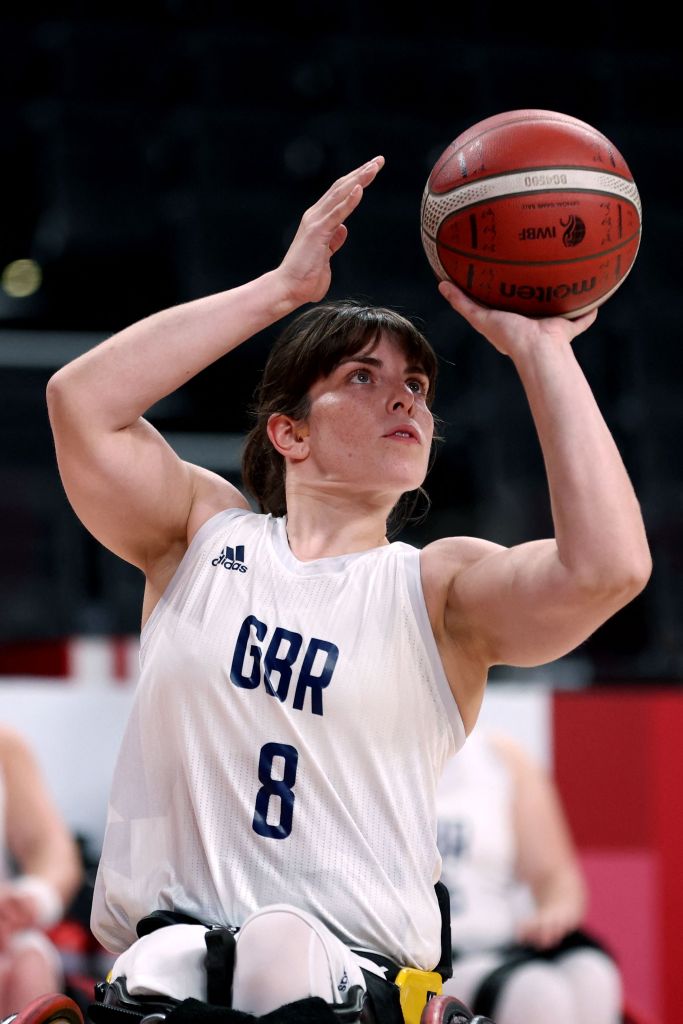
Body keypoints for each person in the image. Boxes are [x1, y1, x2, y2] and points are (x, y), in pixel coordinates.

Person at [45, 156, 651, 1024]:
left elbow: (608, 570)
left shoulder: (439, 590)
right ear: (288, 432)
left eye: (416, 385)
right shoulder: (198, 536)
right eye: (361, 378)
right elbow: (81, 401)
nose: (403, 399)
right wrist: (279, 292)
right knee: (177, 961)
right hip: (169, 961)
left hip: (351, 981)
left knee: (278, 952)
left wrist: (542, 349)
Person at [436, 726, 622, 1024]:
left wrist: (553, 913)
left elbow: (555, 878)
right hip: (427, 959)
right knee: (537, 993)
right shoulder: (374, 753)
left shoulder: (500, 756)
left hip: (497, 945)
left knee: (593, 974)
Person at [0, 724, 83, 1016]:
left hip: (8, 959)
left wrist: (30, 899)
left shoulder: (5, 746)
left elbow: (51, 851)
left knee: (30, 957)